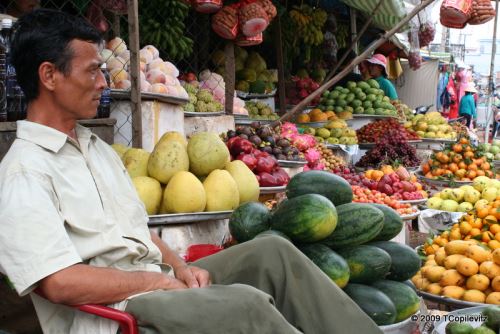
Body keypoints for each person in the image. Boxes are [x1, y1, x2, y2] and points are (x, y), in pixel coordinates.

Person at [0, 9, 382, 334]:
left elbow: (137, 230)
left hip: (152, 281)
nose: (103, 83)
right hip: (115, 312)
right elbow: (58, 283)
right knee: (245, 306)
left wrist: (181, 268)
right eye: (92, 72)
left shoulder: (95, 148)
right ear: (49, 76)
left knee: (273, 253)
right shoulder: (24, 172)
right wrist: (156, 281)